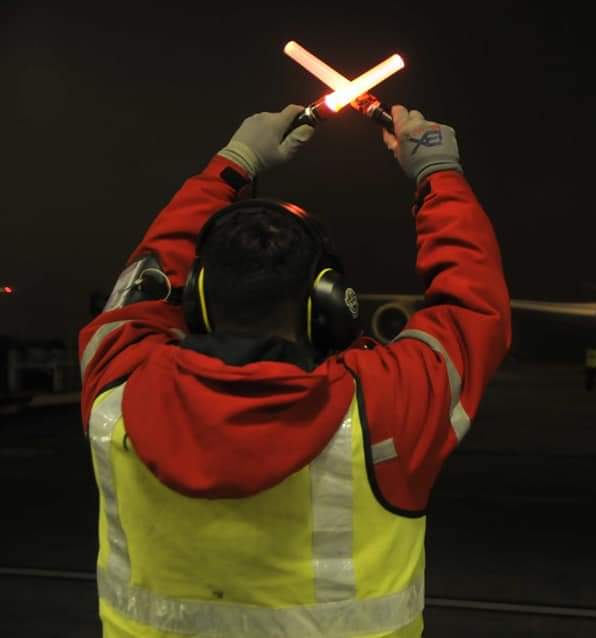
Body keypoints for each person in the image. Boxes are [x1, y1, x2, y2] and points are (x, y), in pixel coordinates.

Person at [78, 104, 511, 637]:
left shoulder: (117, 382)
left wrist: (233, 162)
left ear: (199, 295)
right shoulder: (384, 407)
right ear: (327, 303)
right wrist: (438, 171)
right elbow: (472, 306)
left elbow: (146, 280)